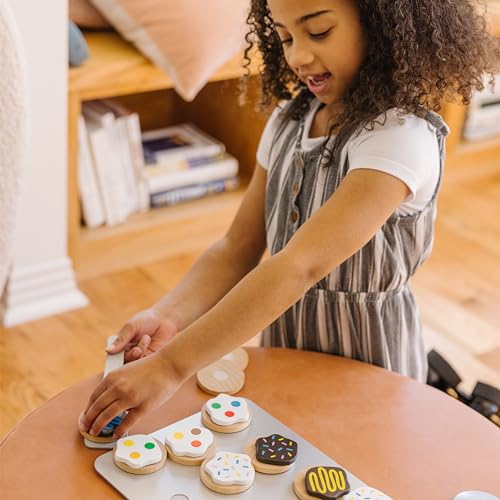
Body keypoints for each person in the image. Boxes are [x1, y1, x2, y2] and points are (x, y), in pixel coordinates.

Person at [80, 0, 499, 439]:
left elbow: (299, 265)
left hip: (370, 364)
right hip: (286, 347)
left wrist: (171, 367)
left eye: (318, 32)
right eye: (284, 37)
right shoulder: (289, 120)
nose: (297, 56)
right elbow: (234, 250)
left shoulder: (399, 137)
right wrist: (168, 315)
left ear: (381, 24)